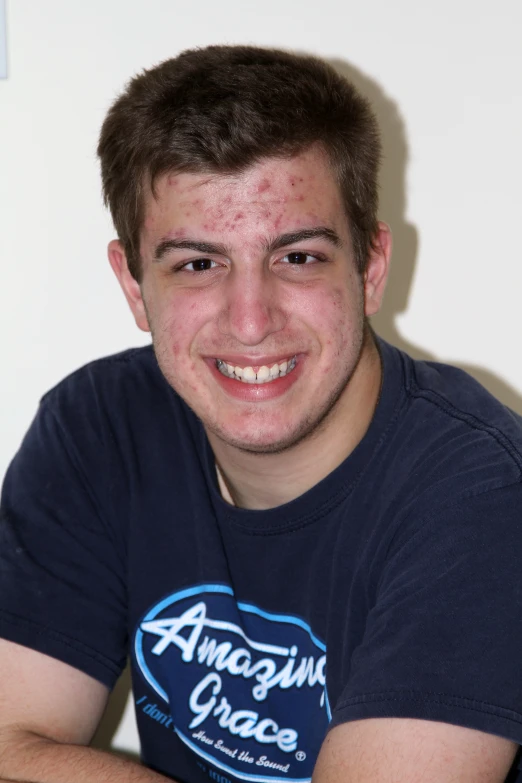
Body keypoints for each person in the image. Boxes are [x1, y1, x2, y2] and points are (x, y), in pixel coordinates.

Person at [0, 44, 521, 783]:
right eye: (197, 264)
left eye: (298, 257)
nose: (250, 321)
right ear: (132, 282)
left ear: (370, 268)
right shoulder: (101, 428)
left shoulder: (483, 494)